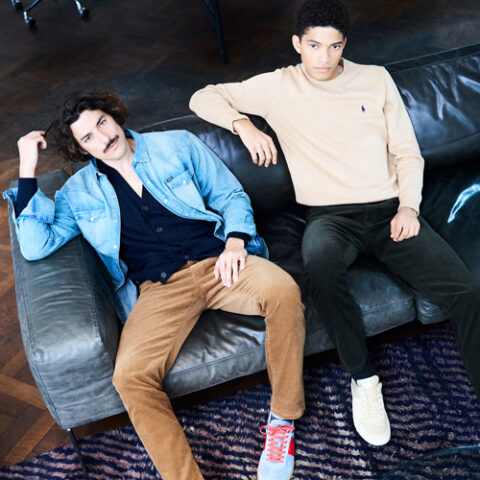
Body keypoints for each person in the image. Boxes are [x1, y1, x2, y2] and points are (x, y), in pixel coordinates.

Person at [190, 0, 480, 448]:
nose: (323, 58)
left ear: (345, 44)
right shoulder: (277, 86)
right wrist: (243, 125)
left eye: (334, 46)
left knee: (466, 293)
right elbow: (202, 96)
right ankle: (363, 379)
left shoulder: (375, 79)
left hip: (390, 211)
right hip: (331, 217)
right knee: (319, 263)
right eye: (313, 46)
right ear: (297, 44)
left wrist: (408, 207)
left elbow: (407, 152)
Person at [4, 91, 306, 480]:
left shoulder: (177, 144)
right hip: (160, 290)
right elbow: (34, 245)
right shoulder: (78, 193)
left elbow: (230, 195)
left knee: (283, 292)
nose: (103, 137)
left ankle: (282, 420)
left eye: (102, 122)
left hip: (220, 261)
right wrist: (27, 168)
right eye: (88, 137)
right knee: (130, 377)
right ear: (80, 150)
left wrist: (235, 242)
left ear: (114, 115)